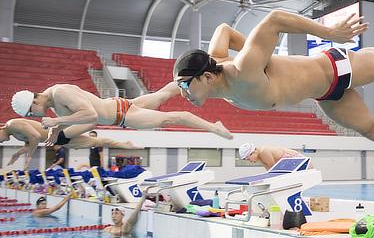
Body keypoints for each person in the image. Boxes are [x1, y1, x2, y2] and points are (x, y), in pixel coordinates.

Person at [171, 11, 374, 191]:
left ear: (206, 77)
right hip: (325, 96)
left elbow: (275, 19)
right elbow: (223, 29)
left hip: (336, 68)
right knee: (373, 132)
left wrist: (330, 33)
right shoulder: (219, 67)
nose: (183, 93)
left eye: (184, 85)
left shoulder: (244, 69)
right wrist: (264, 56)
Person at [10, 83, 232, 146]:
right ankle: (192, 77)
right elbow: (81, 117)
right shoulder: (53, 97)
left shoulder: (60, 93)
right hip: (121, 106)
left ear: (35, 99)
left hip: (124, 115)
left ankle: (215, 127)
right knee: (164, 94)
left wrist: (57, 122)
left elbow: (89, 116)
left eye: (32, 111)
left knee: (174, 117)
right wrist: (55, 132)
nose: (35, 115)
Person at [0, 118, 142, 170]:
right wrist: (17, 154)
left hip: (60, 133)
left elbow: (35, 137)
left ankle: (117, 116)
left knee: (92, 122)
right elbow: (29, 143)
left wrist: (28, 159)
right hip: (63, 142)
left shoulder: (12, 124)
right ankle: (125, 144)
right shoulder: (14, 134)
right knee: (96, 142)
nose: (0, 142)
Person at [239, 143, 311, 170]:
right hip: (295, 164)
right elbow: (269, 172)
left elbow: (274, 170)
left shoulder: (263, 151)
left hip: (302, 162)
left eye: (248, 159)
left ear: (252, 153)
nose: (250, 161)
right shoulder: (260, 157)